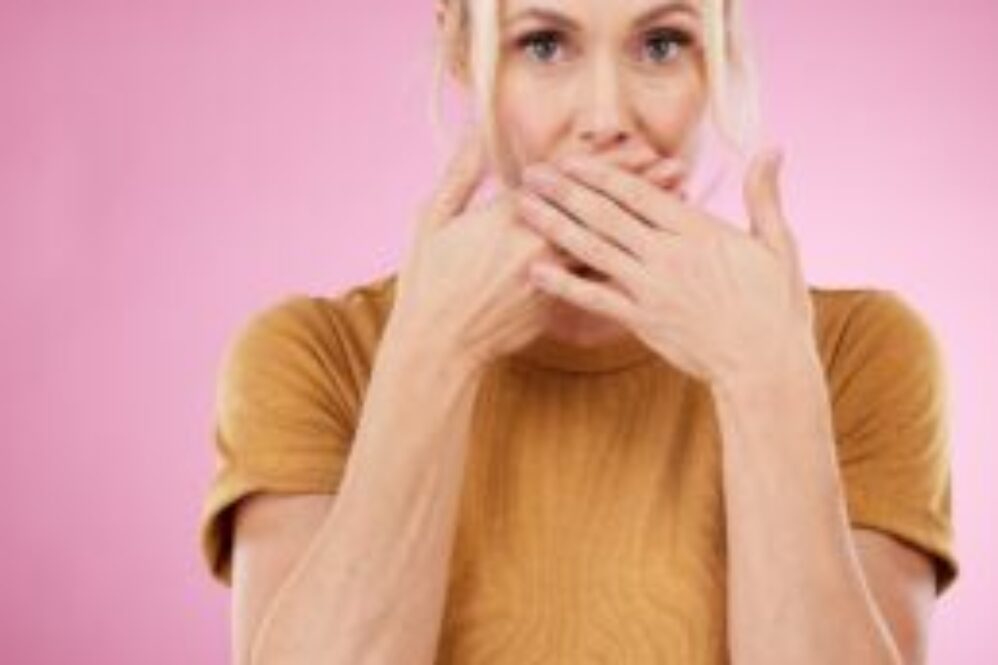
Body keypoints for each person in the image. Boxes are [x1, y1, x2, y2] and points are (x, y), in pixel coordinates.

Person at [198, 0, 959, 663]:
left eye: (661, 44)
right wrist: (434, 355)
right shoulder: (315, 357)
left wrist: (764, 379)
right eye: (544, 44)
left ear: (721, 51)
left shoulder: (860, 354)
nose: (605, 118)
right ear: (466, 52)